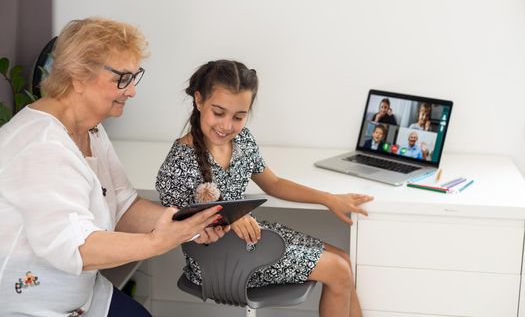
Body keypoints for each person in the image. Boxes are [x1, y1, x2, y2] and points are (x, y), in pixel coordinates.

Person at [0, 18, 228, 317]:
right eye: (122, 78)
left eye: (135, 77)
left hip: (85, 297)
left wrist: (188, 226)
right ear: (78, 76)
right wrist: (155, 243)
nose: (132, 91)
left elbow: (123, 205)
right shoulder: (42, 147)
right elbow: (78, 248)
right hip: (30, 306)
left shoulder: (90, 129)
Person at [155, 60, 373, 317]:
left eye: (238, 116)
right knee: (338, 270)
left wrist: (328, 199)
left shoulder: (243, 140)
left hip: (252, 241)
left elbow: (274, 183)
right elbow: (173, 229)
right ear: (199, 100)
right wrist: (227, 218)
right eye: (219, 112)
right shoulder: (179, 162)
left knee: (344, 260)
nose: (227, 125)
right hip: (219, 262)